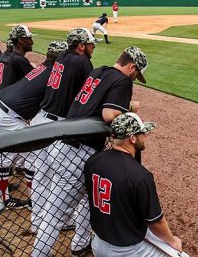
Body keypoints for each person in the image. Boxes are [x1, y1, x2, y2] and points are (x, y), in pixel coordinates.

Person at [32, 46, 148, 257]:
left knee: (89, 197)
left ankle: (80, 243)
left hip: (65, 143)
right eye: (136, 73)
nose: (134, 78)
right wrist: (130, 110)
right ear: (131, 67)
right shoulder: (122, 81)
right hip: (77, 151)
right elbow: (109, 114)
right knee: (55, 214)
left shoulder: (98, 71)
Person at [85, 113, 184, 256]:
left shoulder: (93, 162)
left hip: (98, 244)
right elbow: (156, 223)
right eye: (142, 133)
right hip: (128, 251)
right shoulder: (140, 176)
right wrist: (172, 240)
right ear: (132, 138)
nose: (145, 136)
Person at [30, 28, 96, 238]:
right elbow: (90, 93)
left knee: (42, 175)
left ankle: (37, 222)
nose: (93, 47)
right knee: (69, 178)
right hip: (57, 125)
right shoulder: (82, 61)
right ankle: (62, 226)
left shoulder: (62, 56)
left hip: (41, 118)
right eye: (91, 44)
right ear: (81, 45)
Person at [0, 41, 66, 209]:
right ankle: (33, 203)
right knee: (33, 155)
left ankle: (5, 198)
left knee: (4, 156)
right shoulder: (54, 75)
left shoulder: (42, 67)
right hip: (6, 115)